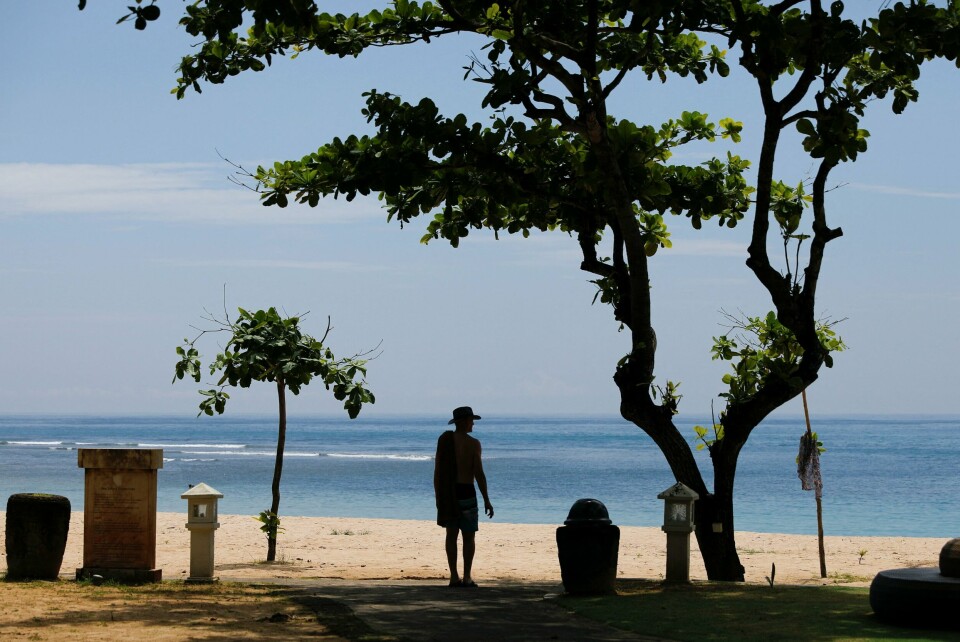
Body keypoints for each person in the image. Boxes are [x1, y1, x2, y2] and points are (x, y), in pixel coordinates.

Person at [434, 405, 494, 587]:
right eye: (471, 421)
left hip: (450, 492)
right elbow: (479, 473)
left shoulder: (445, 440)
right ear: (464, 422)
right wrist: (486, 499)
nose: (473, 425)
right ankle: (466, 576)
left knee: (451, 535)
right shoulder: (473, 444)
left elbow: (439, 471)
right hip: (467, 491)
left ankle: (454, 576)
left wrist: (440, 495)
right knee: (469, 536)